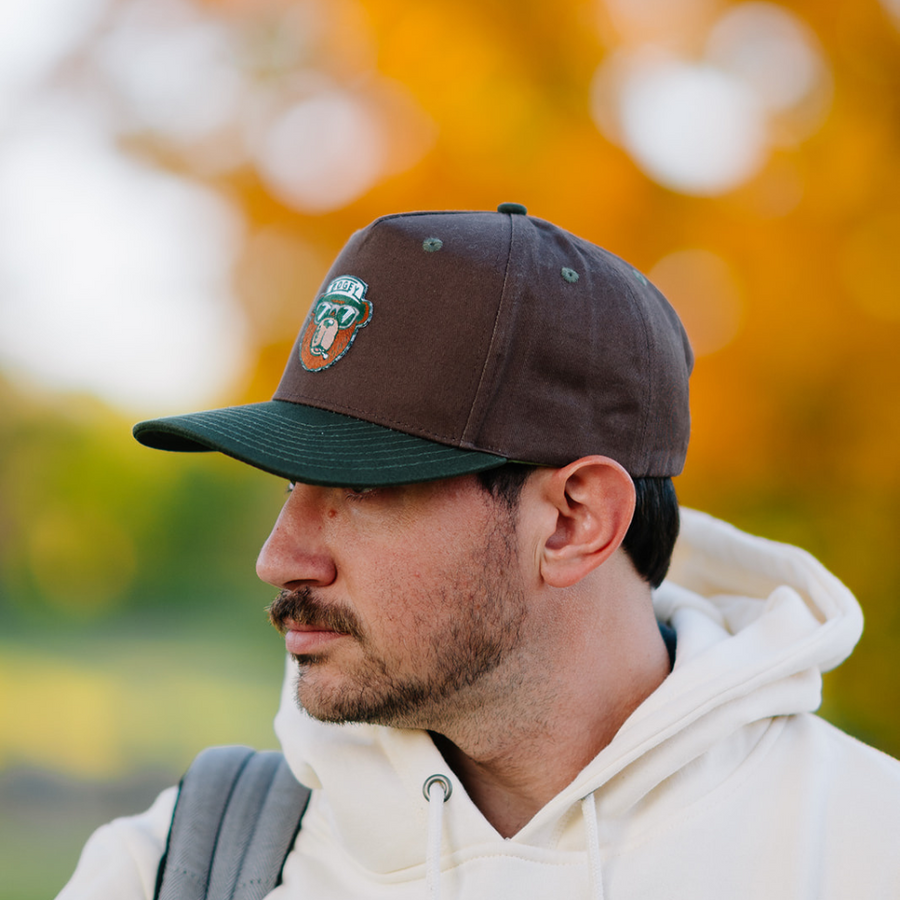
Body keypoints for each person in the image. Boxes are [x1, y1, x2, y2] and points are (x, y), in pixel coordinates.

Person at [58, 204, 900, 899]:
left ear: (574, 522)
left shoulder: (862, 850)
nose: (279, 560)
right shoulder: (181, 866)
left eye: (363, 489)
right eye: (291, 487)